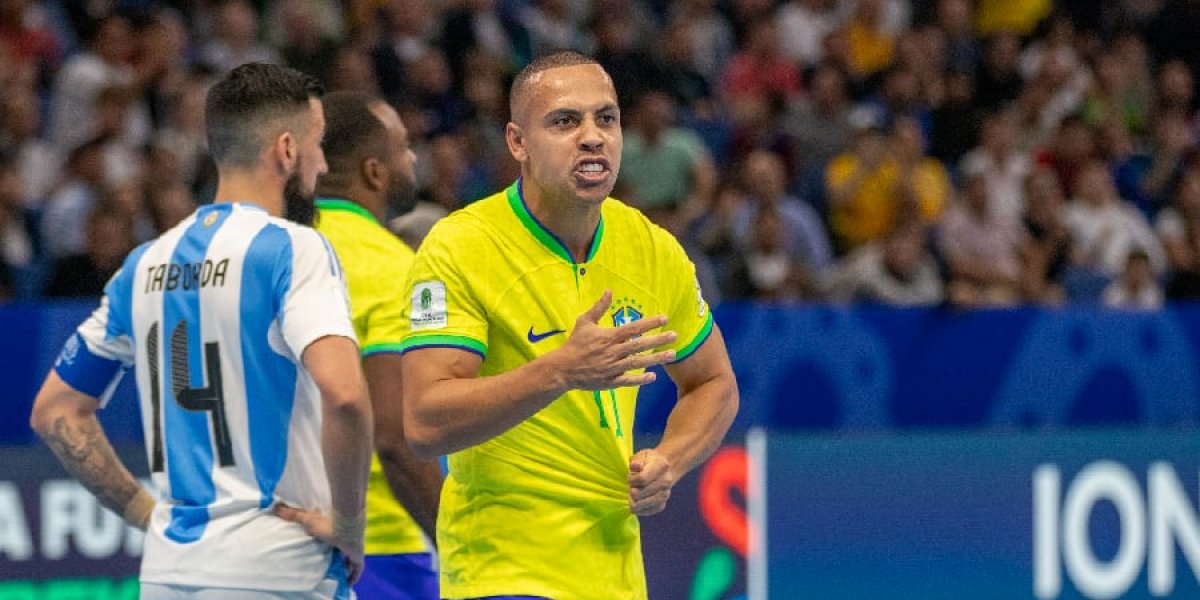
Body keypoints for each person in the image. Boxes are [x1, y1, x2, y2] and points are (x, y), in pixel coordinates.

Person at [397, 51, 740, 600]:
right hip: (503, 571)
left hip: (616, 575)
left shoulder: (653, 249)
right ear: (518, 142)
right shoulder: (460, 247)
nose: (592, 137)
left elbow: (714, 383)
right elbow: (424, 421)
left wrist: (668, 460)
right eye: (564, 121)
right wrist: (560, 370)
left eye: (606, 119)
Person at [28, 63, 373, 599]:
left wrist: (144, 513)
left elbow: (55, 411)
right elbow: (346, 396)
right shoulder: (293, 249)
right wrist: (349, 526)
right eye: (317, 144)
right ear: (286, 150)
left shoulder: (144, 264)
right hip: (278, 569)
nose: (323, 163)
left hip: (169, 573)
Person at [303, 90, 444, 599]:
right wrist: (460, 541)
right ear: (374, 172)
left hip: (269, 544)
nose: (413, 159)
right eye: (403, 148)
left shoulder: (270, 250)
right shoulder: (398, 268)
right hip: (378, 548)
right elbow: (395, 441)